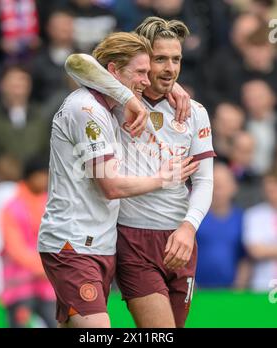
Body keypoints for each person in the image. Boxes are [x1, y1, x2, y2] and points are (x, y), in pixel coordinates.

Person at [38, 31, 198, 329]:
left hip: (99, 244)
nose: (146, 81)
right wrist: (165, 178)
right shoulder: (86, 109)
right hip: (72, 245)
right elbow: (110, 186)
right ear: (112, 72)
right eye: (140, 72)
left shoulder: (109, 108)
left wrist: (173, 87)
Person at [0, 157, 56, 328]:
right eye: (40, 175)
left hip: (48, 285)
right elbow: (14, 247)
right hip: (20, 284)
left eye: (46, 176)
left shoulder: (53, 203)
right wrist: (42, 267)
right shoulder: (12, 207)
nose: (44, 180)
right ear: (29, 176)